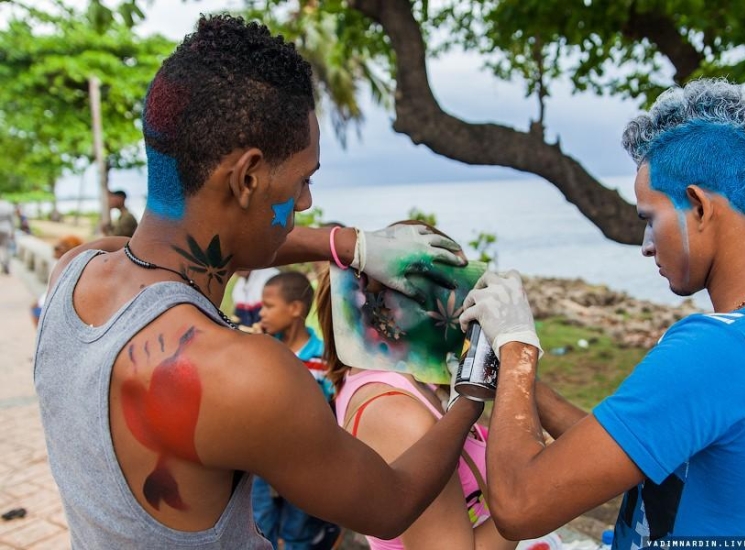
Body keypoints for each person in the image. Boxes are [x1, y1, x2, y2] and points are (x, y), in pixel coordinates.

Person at [33, 15, 482, 549]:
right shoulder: (243, 374)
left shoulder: (75, 272)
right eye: (302, 180)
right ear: (247, 177)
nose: (306, 202)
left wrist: (346, 244)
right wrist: (475, 384)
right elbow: (390, 506)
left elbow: (198, 253)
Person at [460, 78, 745, 544]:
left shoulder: (720, 348)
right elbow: (638, 445)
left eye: (649, 219)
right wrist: (514, 384)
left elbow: (517, 505)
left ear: (698, 206)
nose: (646, 247)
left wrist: (517, 348)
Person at [316, 223, 516, 550]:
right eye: (453, 286)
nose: (468, 301)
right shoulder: (393, 410)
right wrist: (539, 495)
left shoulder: (415, 382)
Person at [252, 271, 341, 549]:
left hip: (306, 466)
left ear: (295, 309)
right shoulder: (262, 351)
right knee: (258, 526)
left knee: (298, 532)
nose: (261, 312)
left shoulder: (322, 358)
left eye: (268, 305)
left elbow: (333, 412)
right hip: (259, 462)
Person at [31, 234, 84, 326]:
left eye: (63, 246)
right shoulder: (59, 264)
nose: (56, 248)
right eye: (58, 245)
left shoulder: (69, 267)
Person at [0, 199, 14, 275]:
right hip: (6, 229)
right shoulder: (8, 206)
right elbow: (12, 220)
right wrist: (13, 232)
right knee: (6, 249)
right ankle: (6, 265)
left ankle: (2, 263)